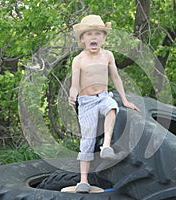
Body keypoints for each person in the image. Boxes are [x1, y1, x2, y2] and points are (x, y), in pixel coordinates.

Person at [68, 15, 140, 193]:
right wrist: (72, 96)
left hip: (103, 96)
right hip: (86, 102)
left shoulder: (108, 55)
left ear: (104, 37)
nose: (94, 37)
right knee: (87, 140)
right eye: (89, 34)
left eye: (98, 34)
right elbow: (75, 84)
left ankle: (106, 145)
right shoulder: (79, 60)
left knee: (111, 106)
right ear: (82, 39)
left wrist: (125, 100)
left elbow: (115, 77)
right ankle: (83, 181)